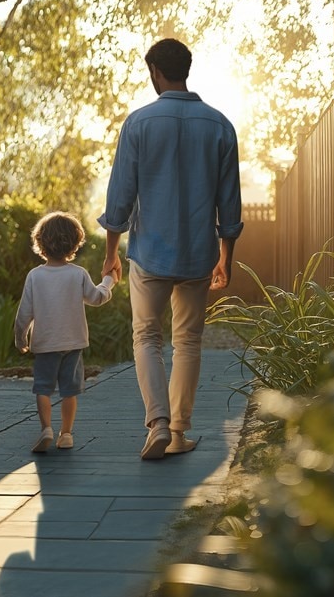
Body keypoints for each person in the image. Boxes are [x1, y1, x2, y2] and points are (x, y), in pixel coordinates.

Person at [98, 38, 243, 460]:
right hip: (198, 255)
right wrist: (225, 256)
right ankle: (179, 432)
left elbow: (120, 197)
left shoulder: (138, 123)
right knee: (188, 341)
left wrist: (111, 251)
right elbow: (229, 202)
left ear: (156, 72)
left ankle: (157, 423)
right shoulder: (220, 125)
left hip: (150, 255)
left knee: (146, 336)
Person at [14, 212, 115, 453]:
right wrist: (108, 280)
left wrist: (21, 338)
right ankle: (66, 434)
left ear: (40, 243)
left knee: (42, 388)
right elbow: (97, 298)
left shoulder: (35, 276)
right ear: (74, 243)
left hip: (45, 344)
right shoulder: (77, 274)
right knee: (70, 391)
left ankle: (46, 428)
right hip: (73, 344)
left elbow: (23, 314)